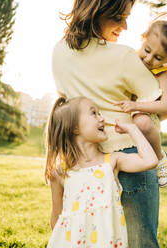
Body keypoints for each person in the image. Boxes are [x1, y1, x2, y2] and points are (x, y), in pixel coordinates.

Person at [52, 0, 167, 247]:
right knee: (141, 243)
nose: (125, 26)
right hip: (131, 158)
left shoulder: (59, 52)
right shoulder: (124, 56)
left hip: (83, 165)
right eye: (119, 18)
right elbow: (160, 109)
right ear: (99, 11)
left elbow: (66, 109)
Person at [45, 96, 158, 247]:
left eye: (100, 113)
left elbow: (150, 161)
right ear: (74, 128)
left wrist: (132, 129)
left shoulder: (111, 161)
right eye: (94, 113)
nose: (102, 118)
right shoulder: (60, 172)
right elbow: (57, 218)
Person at [115, 14, 167, 188]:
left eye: (158, 57)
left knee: (142, 122)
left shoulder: (162, 74)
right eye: (147, 50)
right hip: (125, 115)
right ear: (143, 38)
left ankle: (160, 157)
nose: (149, 59)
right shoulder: (131, 58)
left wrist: (136, 106)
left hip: (147, 114)